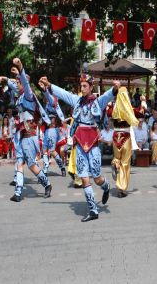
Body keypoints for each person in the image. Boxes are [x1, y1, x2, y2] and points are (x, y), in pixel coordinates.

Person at [39, 74, 119, 221]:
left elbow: (108, 96)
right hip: (80, 143)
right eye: (81, 86)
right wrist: (49, 85)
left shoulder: (97, 102)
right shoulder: (77, 101)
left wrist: (115, 88)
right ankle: (93, 210)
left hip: (93, 143)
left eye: (85, 86)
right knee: (84, 178)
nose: (82, 88)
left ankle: (106, 186)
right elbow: (64, 94)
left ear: (91, 87)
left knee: (97, 178)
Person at [0, 58, 52, 203]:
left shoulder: (28, 95)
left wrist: (20, 67)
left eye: (18, 82)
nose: (16, 85)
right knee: (22, 163)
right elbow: (16, 84)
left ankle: (45, 184)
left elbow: (25, 83)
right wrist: (6, 79)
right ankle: (20, 192)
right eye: (15, 83)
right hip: (22, 134)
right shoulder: (20, 96)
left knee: (29, 165)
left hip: (30, 135)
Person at [111, 87, 146, 198]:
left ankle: (115, 164)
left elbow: (107, 113)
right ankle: (122, 188)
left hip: (115, 136)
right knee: (125, 163)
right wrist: (143, 102)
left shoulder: (113, 107)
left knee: (117, 157)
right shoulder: (129, 109)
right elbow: (141, 113)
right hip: (126, 136)